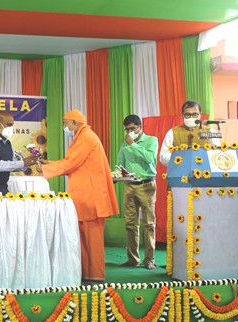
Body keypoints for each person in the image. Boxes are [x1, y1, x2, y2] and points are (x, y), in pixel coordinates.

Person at [38, 110, 119, 283]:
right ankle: (87, 273)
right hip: (85, 194)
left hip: (91, 196)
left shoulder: (86, 137)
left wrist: (45, 169)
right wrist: (50, 163)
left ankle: (95, 275)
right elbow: (72, 161)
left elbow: (71, 163)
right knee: (83, 237)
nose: (64, 128)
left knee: (92, 239)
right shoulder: (83, 136)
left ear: (75, 123)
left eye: (65, 124)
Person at [114, 115, 158, 270]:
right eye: (127, 129)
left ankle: (149, 259)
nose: (129, 132)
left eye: (133, 128)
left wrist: (132, 144)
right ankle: (133, 259)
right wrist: (115, 174)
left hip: (146, 185)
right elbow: (119, 165)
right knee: (131, 224)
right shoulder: (124, 145)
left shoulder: (151, 140)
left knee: (149, 224)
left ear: (140, 127)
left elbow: (149, 158)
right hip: (129, 186)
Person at [0, 111, 38, 194]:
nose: (11, 128)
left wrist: (27, 163)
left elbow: (12, 164)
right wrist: (22, 163)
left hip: (3, 188)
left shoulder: (7, 143)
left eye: (12, 125)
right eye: (9, 125)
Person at [159, 100, 221, 166]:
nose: (191, 117)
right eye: (187, 115)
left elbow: (217, 154)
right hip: (179, 171)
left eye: (195, 114)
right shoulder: (172, 132)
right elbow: (163, 157)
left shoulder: (210, 131)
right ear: (182, 115)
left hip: (204, 171)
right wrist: (181, 159)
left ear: (200, 115)